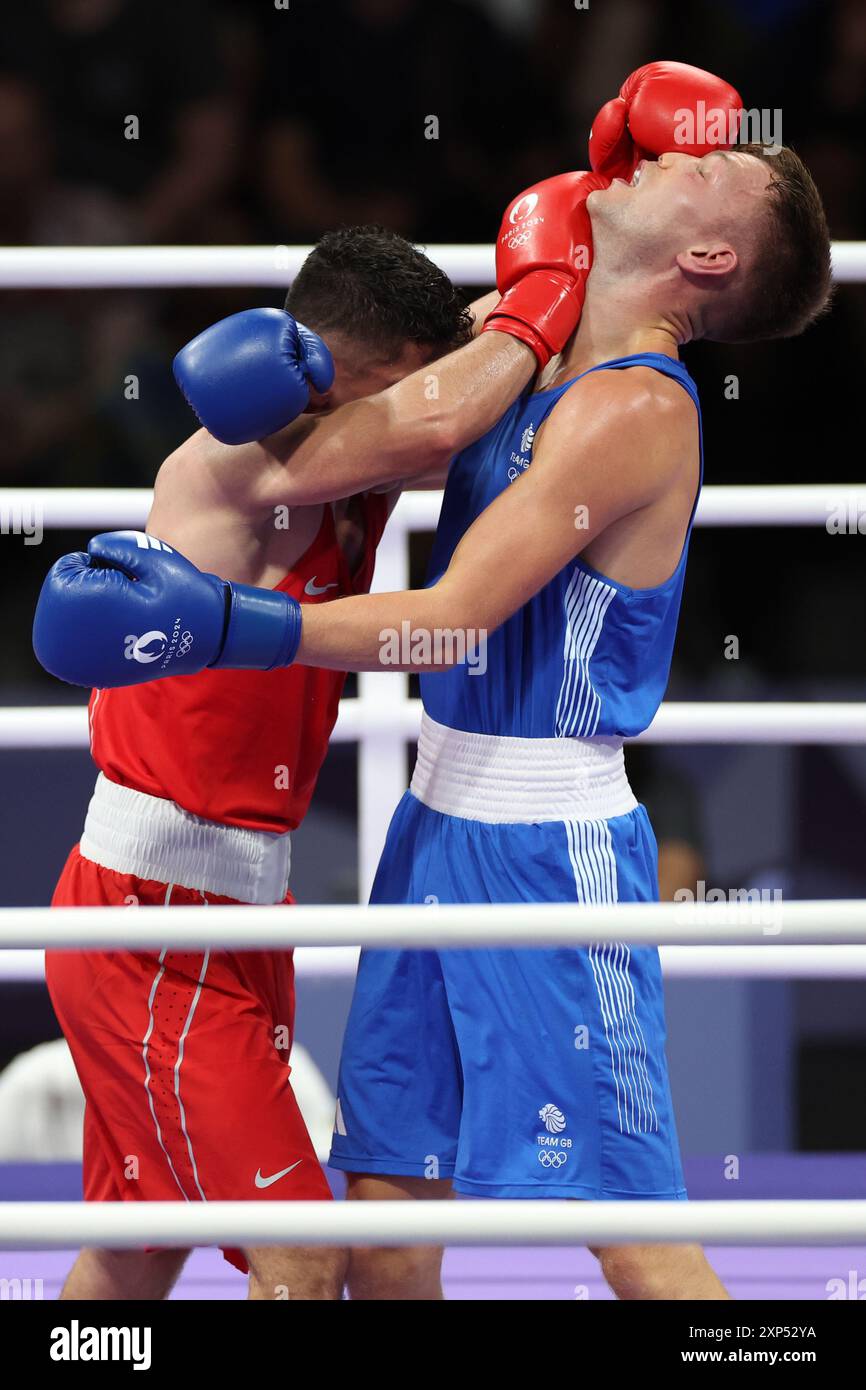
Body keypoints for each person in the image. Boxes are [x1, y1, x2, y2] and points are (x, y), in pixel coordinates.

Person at [35, 70, 832, 1300]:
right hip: (428, 825)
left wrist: (226, 625)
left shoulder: (632, 411)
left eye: (707, 163)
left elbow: (450, 623)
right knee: (389, 1223)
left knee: (628, 1229)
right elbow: (393, 410)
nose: (666, 151)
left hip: (545, 845)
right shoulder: (524, 343)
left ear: (713, 251)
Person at [39, 226, 474, 1301]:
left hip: (232, 913)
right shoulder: (230, 467)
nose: (432, 408)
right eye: (415, 383)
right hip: (154, 919)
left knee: (139, 1244)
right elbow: (459, 411)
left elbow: (468, 396)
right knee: (300, 1249)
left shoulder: (358, 464)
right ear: (332, 368)